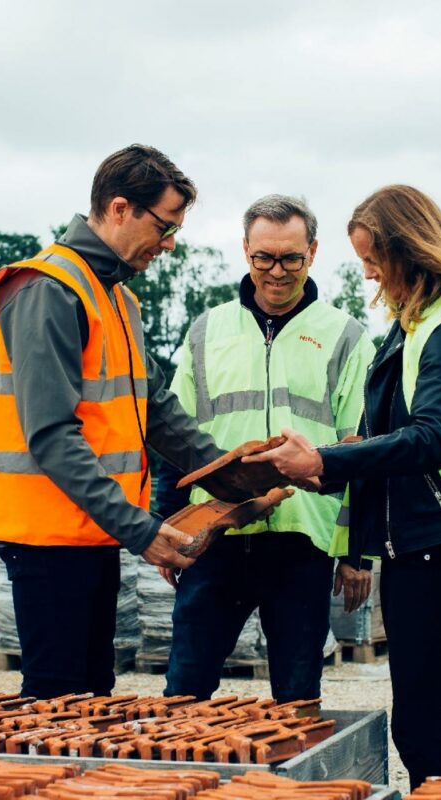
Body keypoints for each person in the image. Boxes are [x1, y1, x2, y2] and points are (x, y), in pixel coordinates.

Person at [246, 185, 441, 788]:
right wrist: (329, 467)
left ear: (409, 249)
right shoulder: (411, 328)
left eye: (373, 258)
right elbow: (386, 439)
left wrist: (326, 460)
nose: (369, 272)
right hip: (420, 549)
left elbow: (432, 438)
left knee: (422, 728)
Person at [0, 144, 260, 700]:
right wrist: (142, 530)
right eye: (163, 225)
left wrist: (233, 474)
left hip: (90, 532)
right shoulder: (47, 289)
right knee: (58, 703)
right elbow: (51, 436)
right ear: (118, 208)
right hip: (46, 537)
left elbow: (154, 407)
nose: (170, 243)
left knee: (90, 695)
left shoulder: (115, 297)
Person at [153, 194, 376, 703]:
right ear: (245, 250)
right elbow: (173, 435)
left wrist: (356, 552)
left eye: (291, 258)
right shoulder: (206, 332)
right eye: (264, 258)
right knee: (185, 691)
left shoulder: (346, 336)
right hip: (214, 537)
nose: (276, 272)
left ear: (313, 253)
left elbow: (362, 449)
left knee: (297, 697)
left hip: (302, 541)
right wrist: (168, 523)